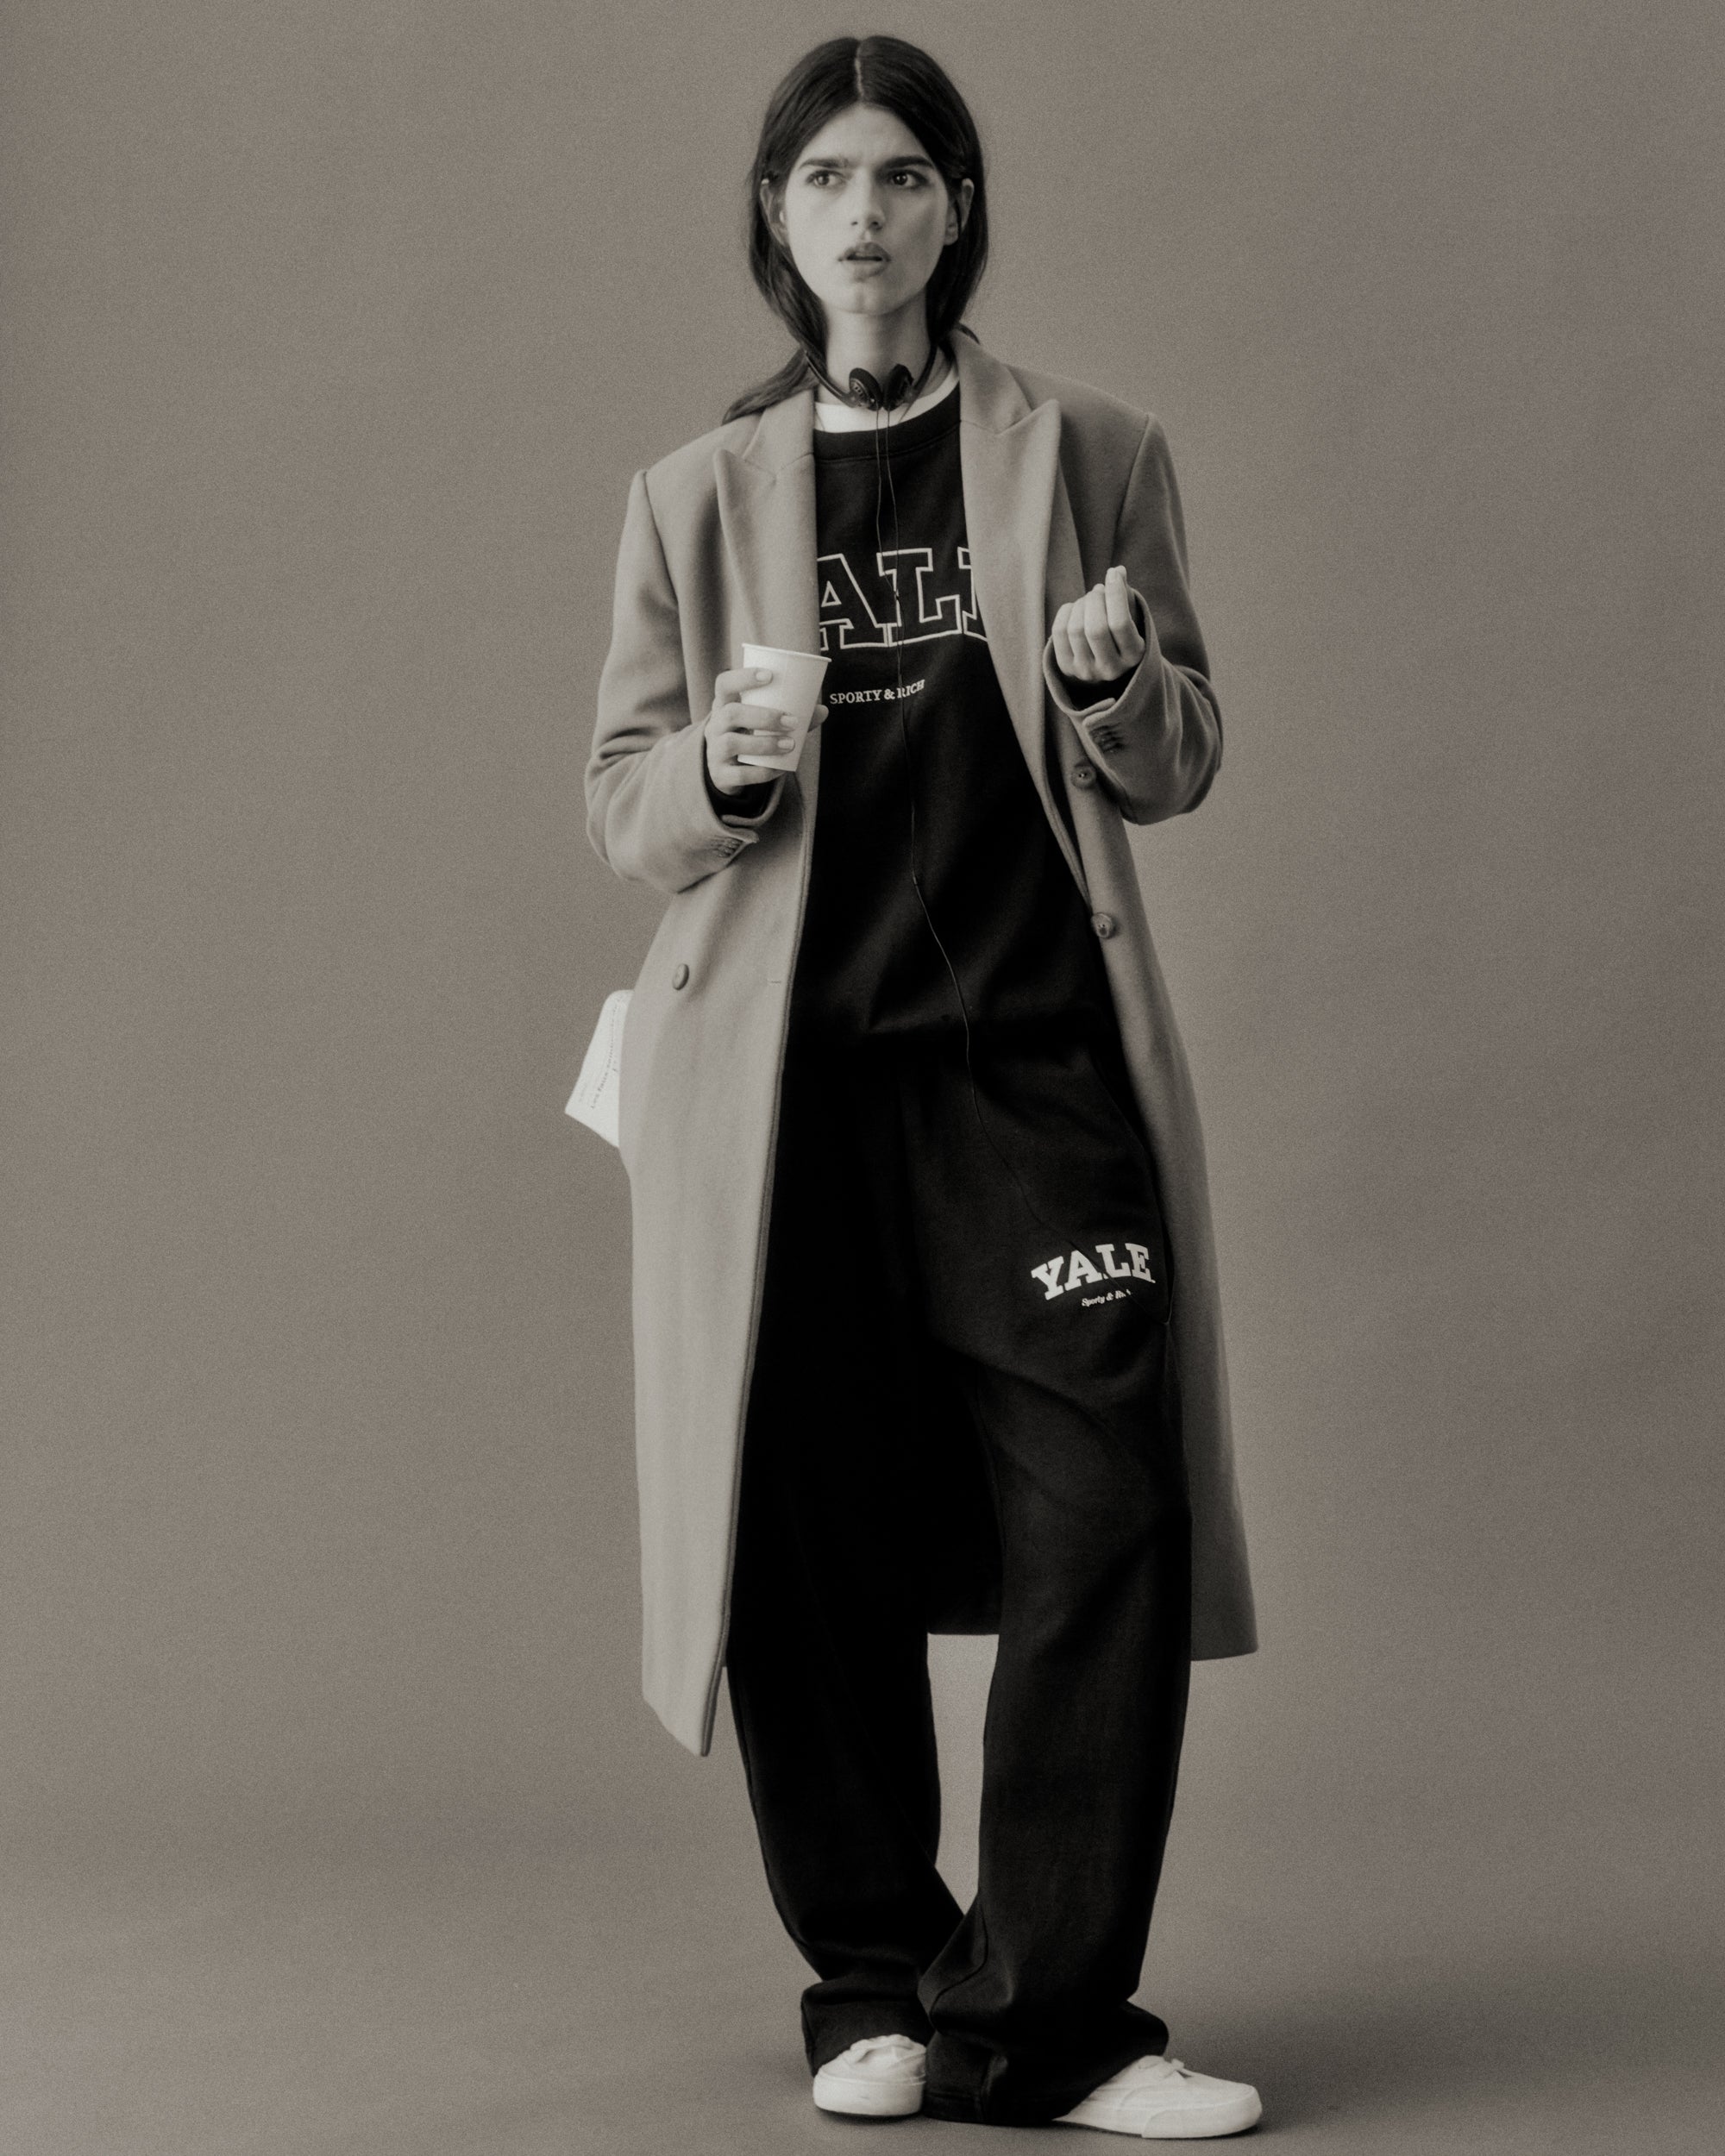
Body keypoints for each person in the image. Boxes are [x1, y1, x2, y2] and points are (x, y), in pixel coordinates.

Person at [586, 33, 1260, 2137]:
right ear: (775, 221)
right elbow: (620, 798)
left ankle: (1047, 2017)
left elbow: (1182, 754)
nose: (862, 216)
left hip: (1031, 1072)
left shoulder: (1093, 449)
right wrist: (717, 775)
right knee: (801, 1529)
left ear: (957, 206)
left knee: (1107, 1503)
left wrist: (1114, 685)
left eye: (898, 175)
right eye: (823, 180)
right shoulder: (690, 496)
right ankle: (872, 1974)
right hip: (785, 1090)